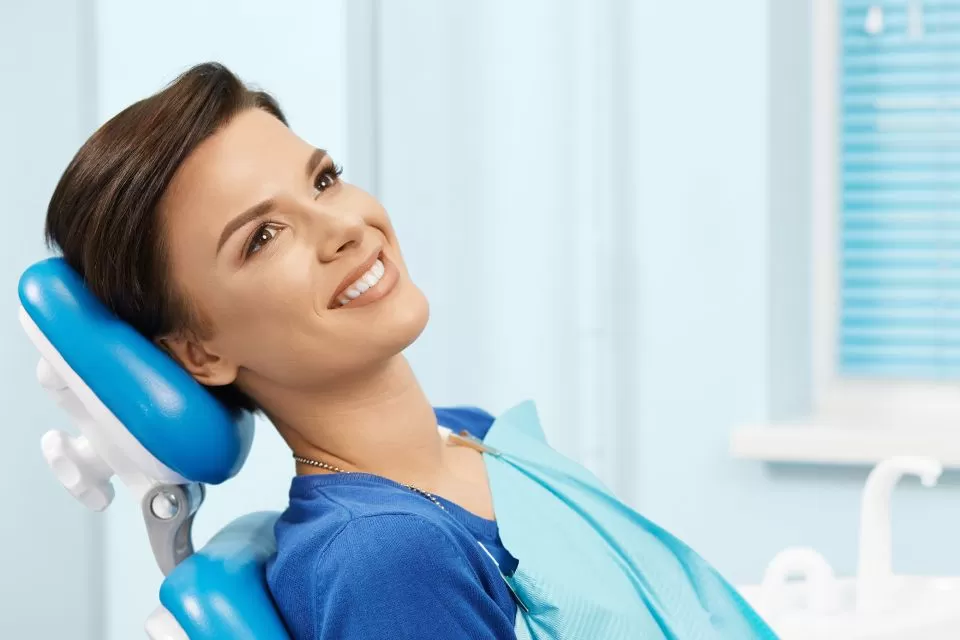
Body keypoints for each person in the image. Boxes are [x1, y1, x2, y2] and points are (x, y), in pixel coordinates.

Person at [43, 63, 775, 640]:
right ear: (201, 354)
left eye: (323, 180)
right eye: (263, 237)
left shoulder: (474, 436)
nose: (345, 230)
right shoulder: (385, 560)